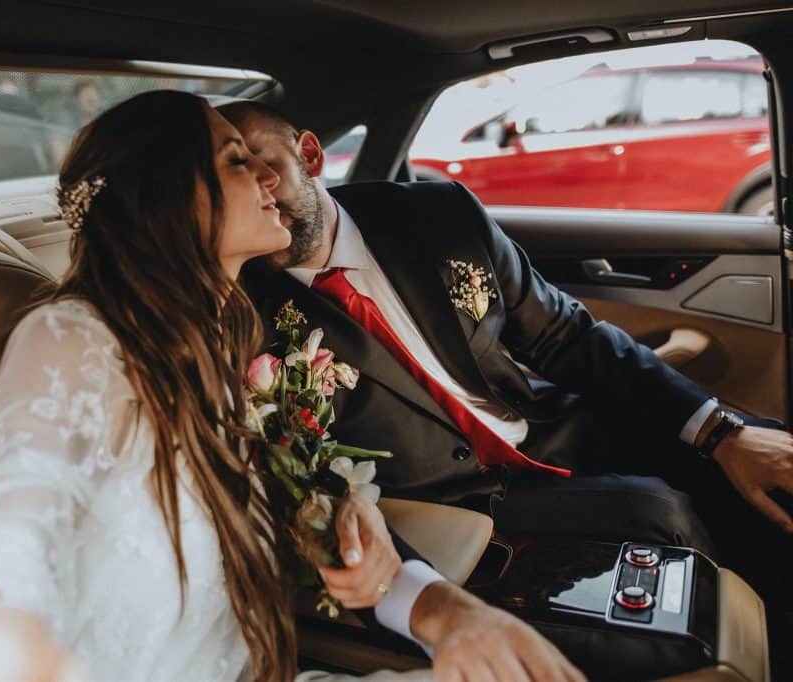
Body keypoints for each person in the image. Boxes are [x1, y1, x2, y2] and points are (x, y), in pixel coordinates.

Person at [0, 90, 583, 682]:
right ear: (172, 195)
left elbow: (294, 500)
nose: (264, 176)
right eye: (232, 160)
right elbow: (19, 524)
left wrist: (442, 609)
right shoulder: (74, 339)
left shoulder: (231, 337)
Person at [221, 100, 793, 672]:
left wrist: (720, 431)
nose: (257, 192)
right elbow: (298, 476)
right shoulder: (244, 312)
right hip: (459, 500)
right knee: (659, 512)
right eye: (232, 178)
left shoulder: (436, 215)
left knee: (761, 456)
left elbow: (567, 337)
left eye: (263, 167)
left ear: (311, 155)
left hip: (548, 430)